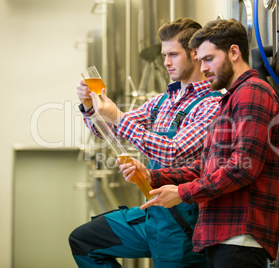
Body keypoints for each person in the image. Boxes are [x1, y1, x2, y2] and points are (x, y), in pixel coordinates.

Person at [118, 19, 279, 268]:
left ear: (234, 52)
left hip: (240, 237)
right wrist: (153, 176)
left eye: (208, 59)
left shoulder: (252, 92)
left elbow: (241, 168)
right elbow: (207, 166)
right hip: (223, 236)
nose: (203, 67)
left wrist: (183, 193)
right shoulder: (231, 98)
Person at [69, 18, 222, 267]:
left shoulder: (212, 103)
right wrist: (90, 107)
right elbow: (110, 131)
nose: (166, 62)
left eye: (173, 54)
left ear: (196, 54)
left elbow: (174, 151)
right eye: (164, 54)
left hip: (185, 223)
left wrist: (117, 115)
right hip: (153, 215)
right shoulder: (163, 101)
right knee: (85, 241)